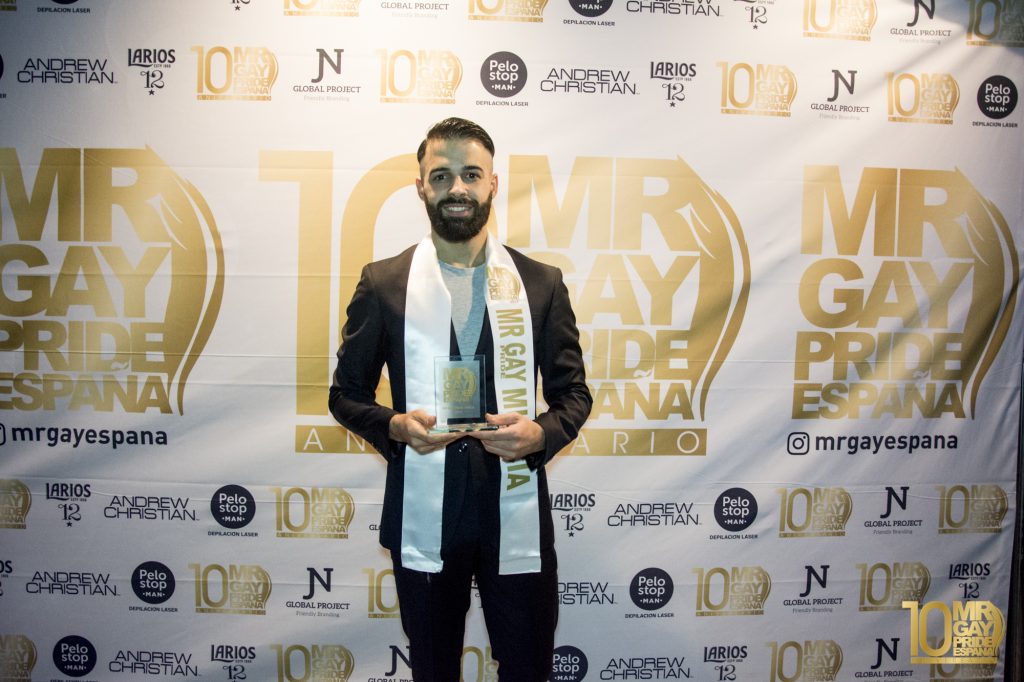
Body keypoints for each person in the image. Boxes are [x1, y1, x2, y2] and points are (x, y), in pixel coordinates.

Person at [329, 117, 592, 681]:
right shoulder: (384, 283)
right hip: (426, 515)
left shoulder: (541, 283)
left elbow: (573, 394)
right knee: (433, 670)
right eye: (441, 175)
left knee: (527, 669)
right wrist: (394, 426)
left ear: (493, 183)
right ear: (420, 186)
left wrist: (541, 434)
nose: (457, 188)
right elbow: (345, 395)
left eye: (471, 174)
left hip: (514, 513)